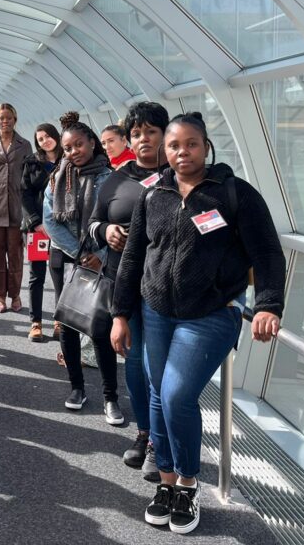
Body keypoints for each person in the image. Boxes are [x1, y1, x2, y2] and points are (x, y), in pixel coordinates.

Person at [113, 112, 285, 535]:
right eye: (174, 145)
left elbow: (267, 253)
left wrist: (268, 305)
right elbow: (134, 257)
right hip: (156, 310)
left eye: (191, 144)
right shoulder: (154, 196)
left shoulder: (234, 195)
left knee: (174, 394)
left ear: (206, 146)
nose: (182, 152)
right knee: (156, 392)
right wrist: (120, 314)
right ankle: (167, 483)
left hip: (211, 312)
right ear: (164, 151)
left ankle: (189, 483)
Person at [88, 102, 169, 480]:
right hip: (124, 282)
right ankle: (145, 434)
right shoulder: (116, 180)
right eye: (136, 134)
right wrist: (105, 232)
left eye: (151, 132)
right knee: (135, 364)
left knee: (158, 366)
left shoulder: (180, 176)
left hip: (166, 287)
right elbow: (92, 224)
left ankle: (159, 440)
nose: (143, 139)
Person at [42, 112, 117, 417]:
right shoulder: (58, 177)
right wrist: (80, 252)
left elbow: (118, 219)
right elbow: (50, 219)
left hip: (103, 259)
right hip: (68, 258)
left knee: (100, 327)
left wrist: (101, 255)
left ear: (92, 143)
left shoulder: (110, 178)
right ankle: (77, 387)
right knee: (69, 325)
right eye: (68, 148)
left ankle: (111, 396)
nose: (74, 152)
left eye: (79, 145)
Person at [0, 103, 32, 313]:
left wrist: (31, 208)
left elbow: (31, 176)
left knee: (15, 253)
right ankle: (0, 295)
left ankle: (15, 294)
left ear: (15, 119)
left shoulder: (25, 144)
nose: (5, 121)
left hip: (17, 207)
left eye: (9, 117)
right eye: (1, 118)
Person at [20, 123, 62, 342]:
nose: (45, 141)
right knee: (37, 275)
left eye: (48, 136)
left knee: (59, 275)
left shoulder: (68, 160)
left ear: (56, 136)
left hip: (61, 229)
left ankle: (59, 320)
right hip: (38, 228)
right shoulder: (32, 162)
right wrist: (36, 222)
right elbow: (25, 194)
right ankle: (35, 322)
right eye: (40, 138)